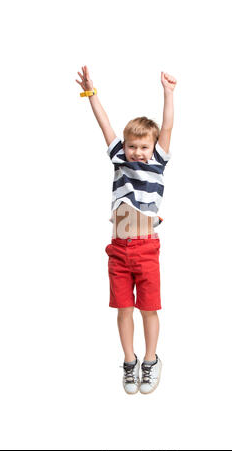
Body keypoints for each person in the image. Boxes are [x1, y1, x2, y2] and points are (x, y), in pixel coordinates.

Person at [76, 65, 177, 394]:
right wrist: (92, 93)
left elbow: (168, 127)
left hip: (146, 247)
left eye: (143, 147)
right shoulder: (119, 158)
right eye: (132, 145)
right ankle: (129, 361)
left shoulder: (158, 161)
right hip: (118, 249)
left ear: (153, 148)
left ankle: (150, 360)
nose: (137, 152)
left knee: (149, 307)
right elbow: (104, 123)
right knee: (123, 308)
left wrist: (168, 93)